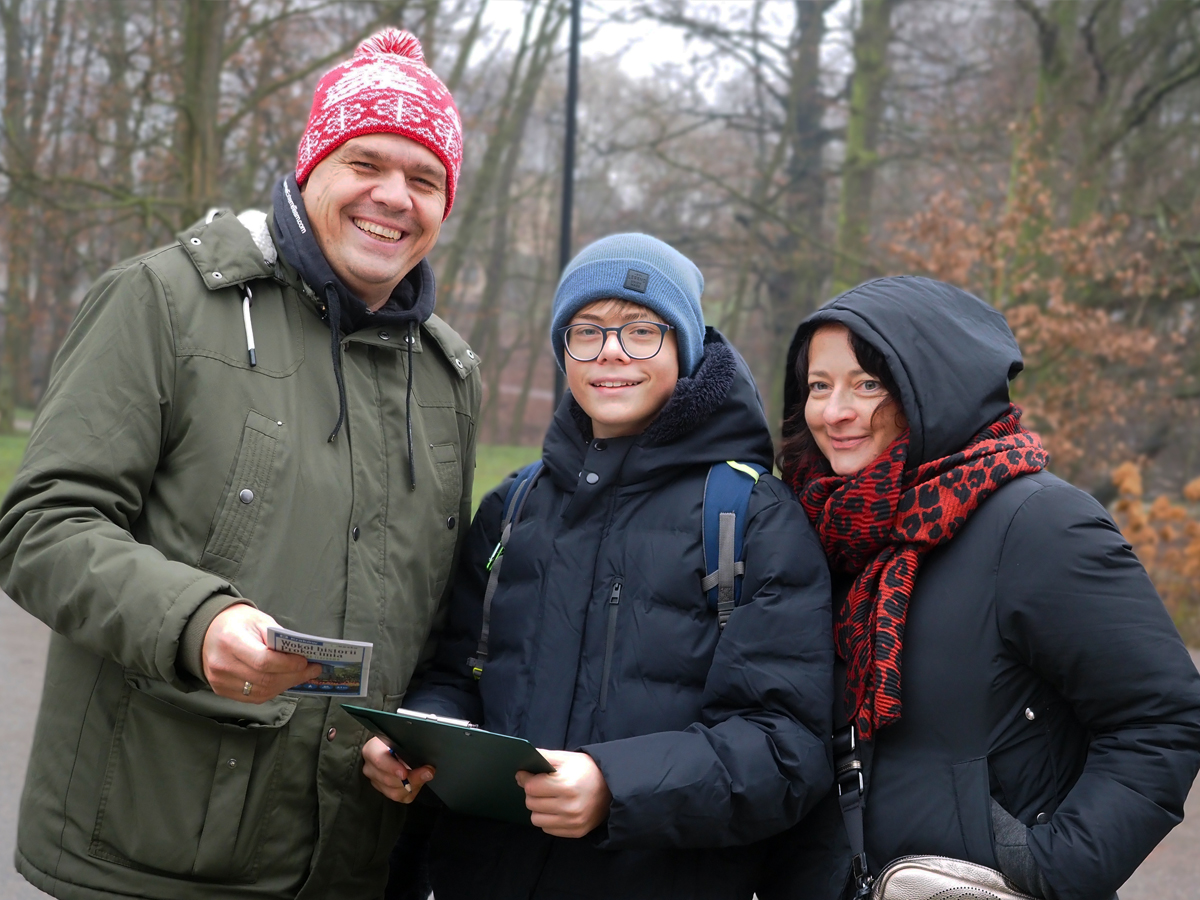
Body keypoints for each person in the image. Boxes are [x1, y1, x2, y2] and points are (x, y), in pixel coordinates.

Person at [0, 28, 479, 900]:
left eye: (424, 178)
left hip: (349, 859)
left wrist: (424, 730)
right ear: (310, 169)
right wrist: (197, 624)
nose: (393, 197)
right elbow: (43, 527)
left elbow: (437, 614)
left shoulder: (449, 375)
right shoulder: (164, 301)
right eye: (365, 162)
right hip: (152, 849)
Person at [361, 233, 835, 900]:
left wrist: (615, 786)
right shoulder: (514, 505)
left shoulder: (751, 516)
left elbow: (784, 749)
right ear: (563, 351)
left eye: (642, 331)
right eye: (587, 331)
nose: (611, 351)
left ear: (686, 347)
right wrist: (417, 741)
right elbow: (454, 674)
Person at [758, 275, 1200, 900]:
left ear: (933, 388)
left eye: (868, 384)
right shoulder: (815, 528)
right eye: (818, 386)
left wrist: (1052, 871)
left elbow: (1162, 717)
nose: (835, 412)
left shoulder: (1039, 523)